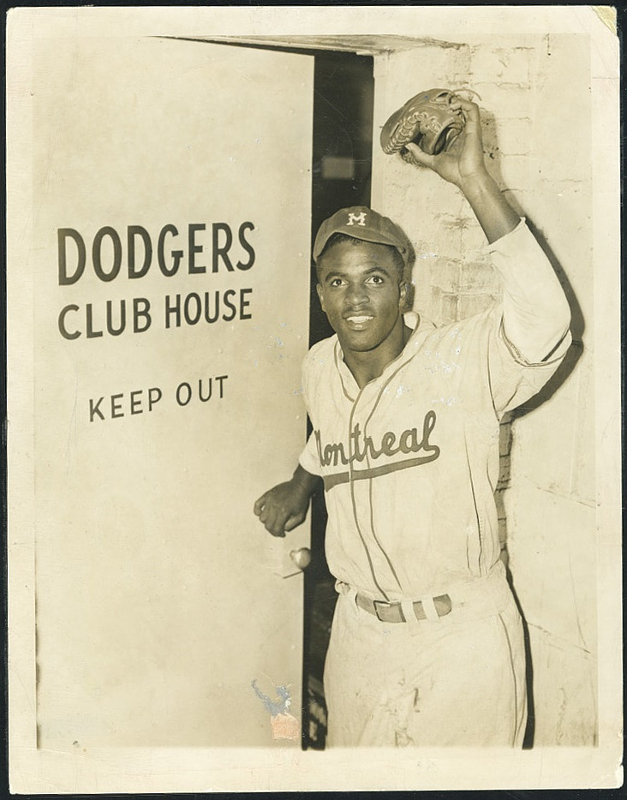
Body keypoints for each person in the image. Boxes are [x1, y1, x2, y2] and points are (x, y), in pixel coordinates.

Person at [253, 98, 572, 747]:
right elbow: (333, 432)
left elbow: (546, 322)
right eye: (336, 282)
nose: (355, 298)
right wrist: (300, 482)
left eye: (374, 278)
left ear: (404, 292)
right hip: (357, 635)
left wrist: (473, 180)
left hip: (459, 637)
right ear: (320, 294)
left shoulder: (461, 360)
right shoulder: (320, 366)